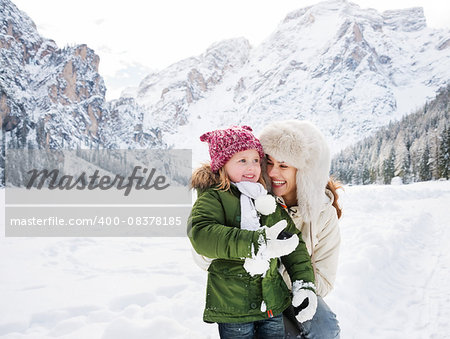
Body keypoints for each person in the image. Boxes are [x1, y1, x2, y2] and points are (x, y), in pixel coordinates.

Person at [187, 126, 319, 339]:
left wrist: (304, 283)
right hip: (233, 307)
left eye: (256, 160)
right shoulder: (214, 197)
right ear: (222, 164)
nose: (252, 167)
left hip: (272, 303)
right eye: (242, 160)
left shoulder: (265, 200)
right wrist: (258, 243)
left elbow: (292, 243)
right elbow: (202, 234)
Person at [258, 120, 342, 339]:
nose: (273, 172)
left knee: (326, 329)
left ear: (305, 172)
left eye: (283, 166)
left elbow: (324, 278)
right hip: (251, 292)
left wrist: (286, 279)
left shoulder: (323, 214)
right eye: (269, 162)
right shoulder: (254, 200)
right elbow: (204, 258)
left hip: (295, 292)